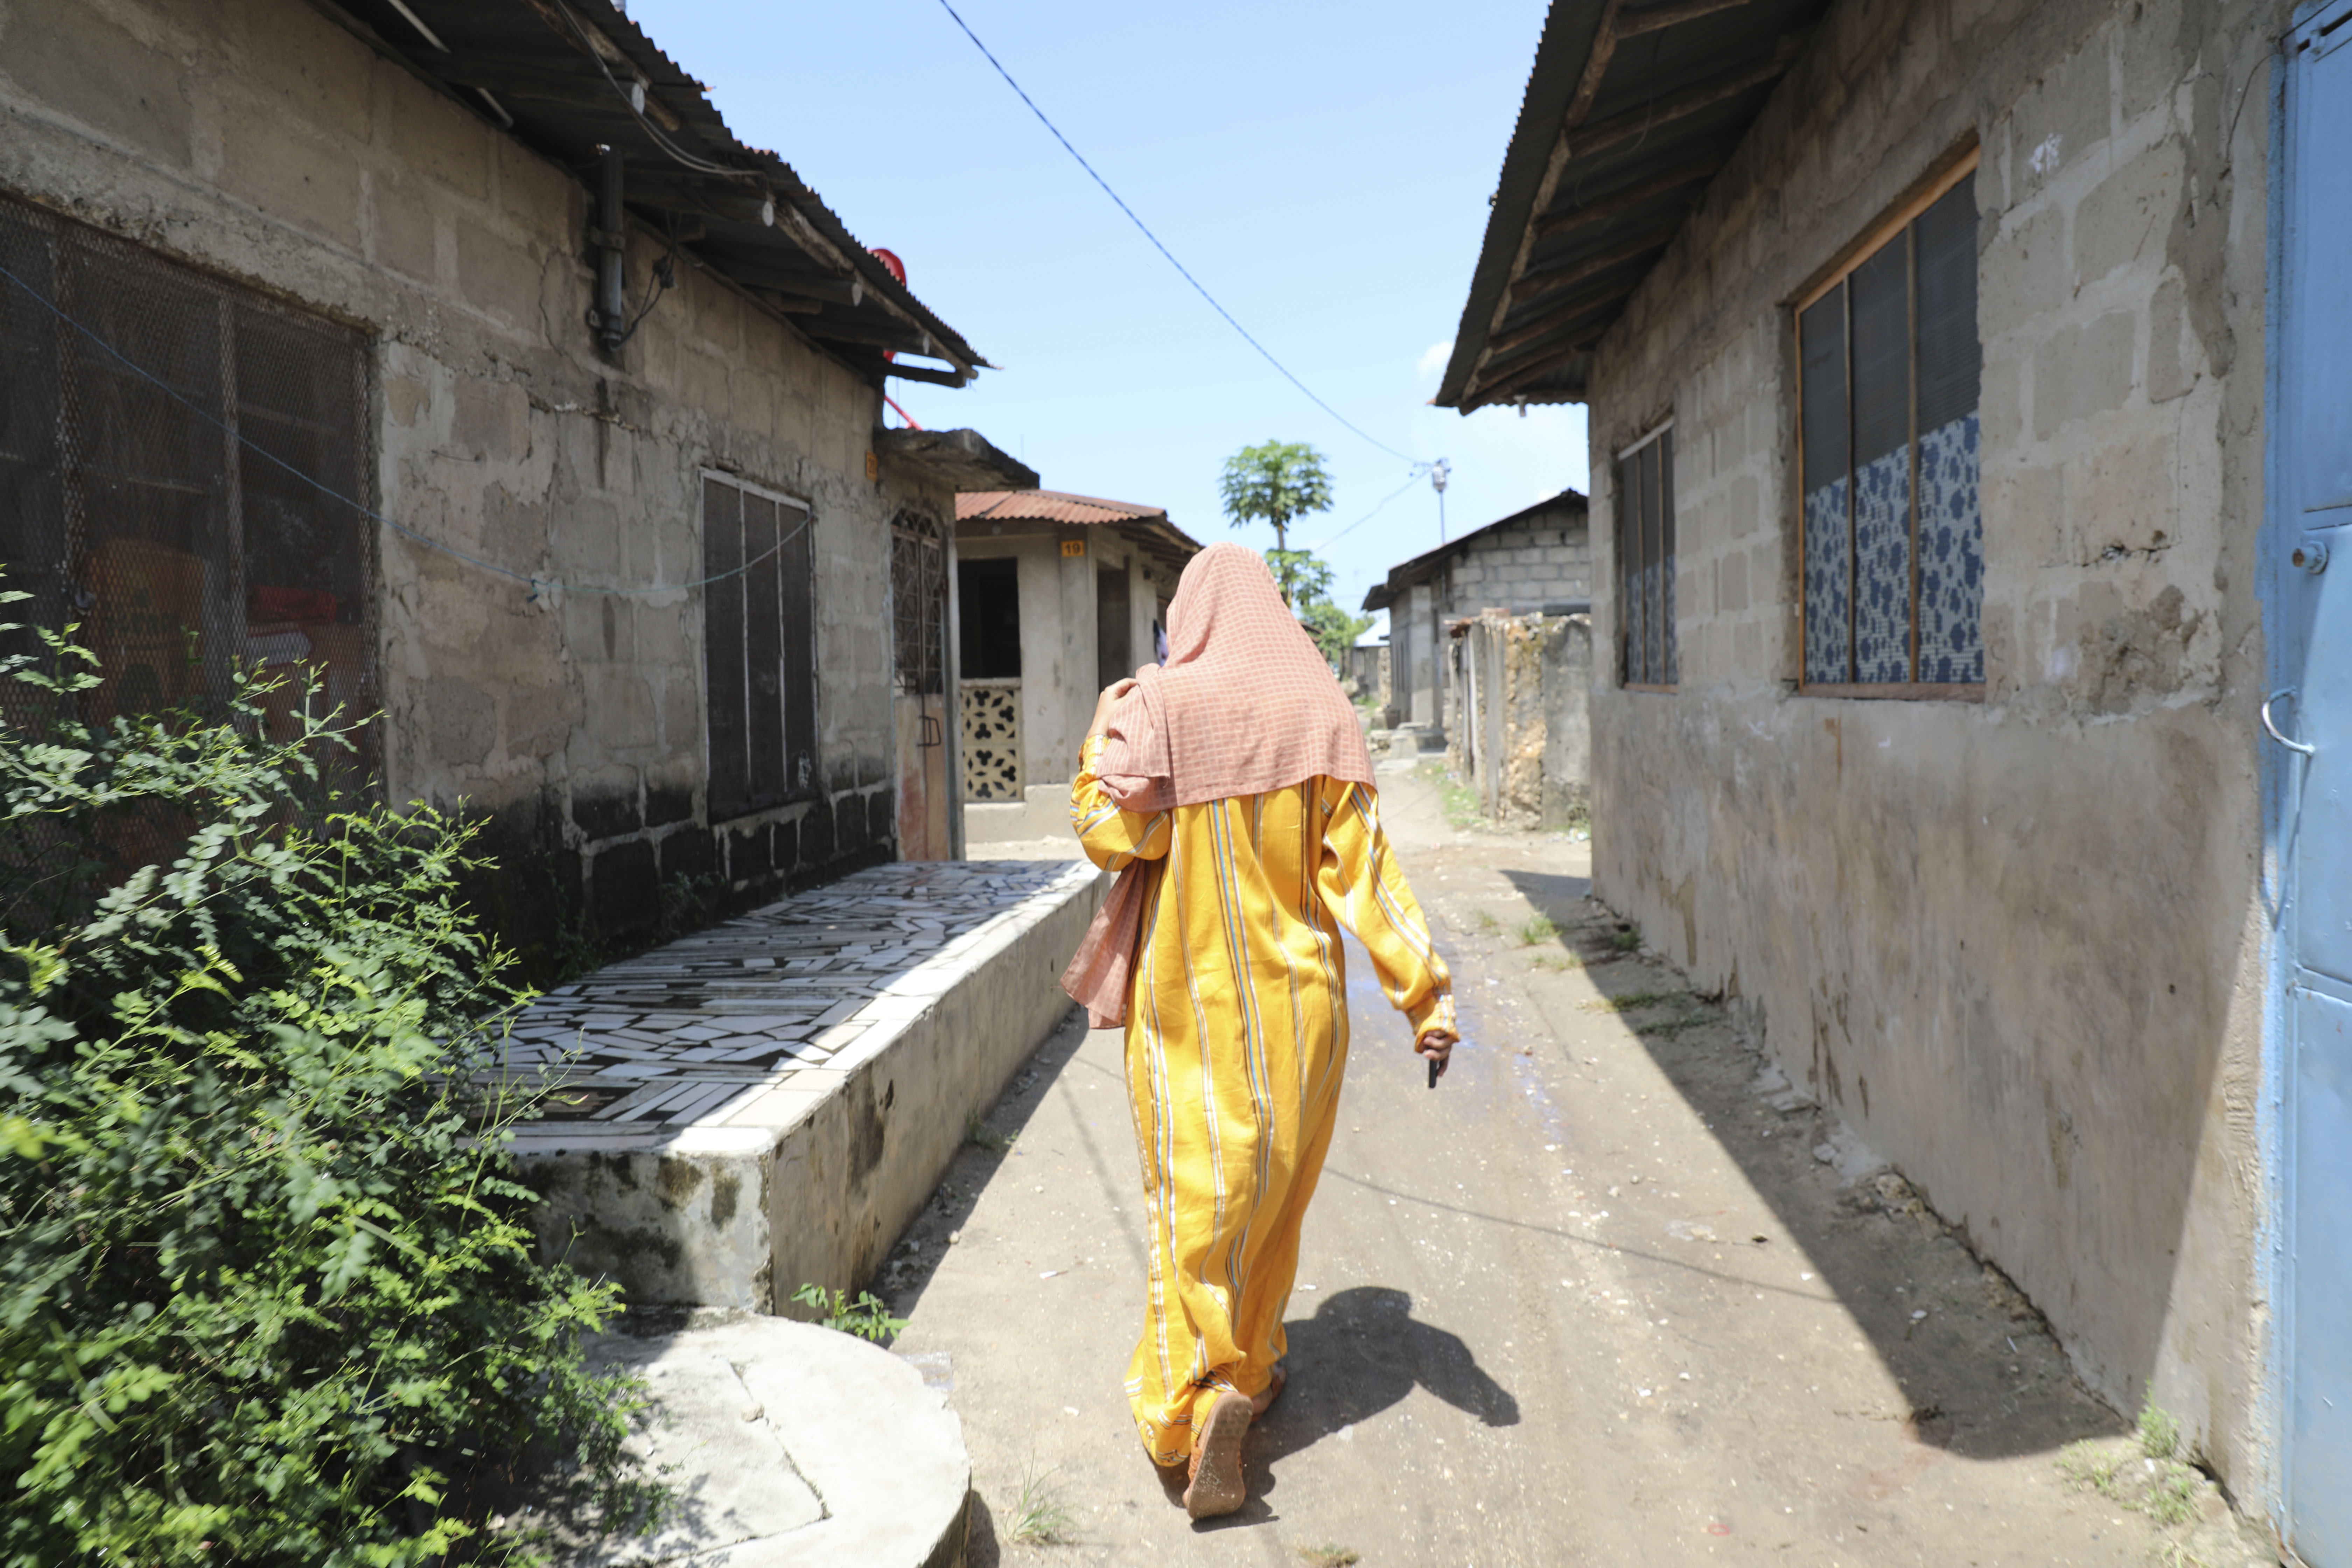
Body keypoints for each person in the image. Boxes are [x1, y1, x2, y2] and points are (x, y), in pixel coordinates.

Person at [1062, 544, 1457, 1519]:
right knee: (1270, 1209)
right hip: (1304, 1018)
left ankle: (1183, 1411)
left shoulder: (1149, 705)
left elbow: (1111, 834)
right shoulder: (1321, 709)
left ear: (1190, 614)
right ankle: (1249, 1370)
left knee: (1194, 1211)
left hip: (1185, 1009)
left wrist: (1144, 778)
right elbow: (1365, 877)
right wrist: (1427, 1000)